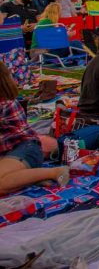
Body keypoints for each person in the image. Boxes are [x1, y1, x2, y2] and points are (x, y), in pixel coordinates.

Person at [0, 61, 69, 194]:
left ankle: (54, 172)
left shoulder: (6, 104)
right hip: (9, 153)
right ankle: (30, 177)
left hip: (26, 150)